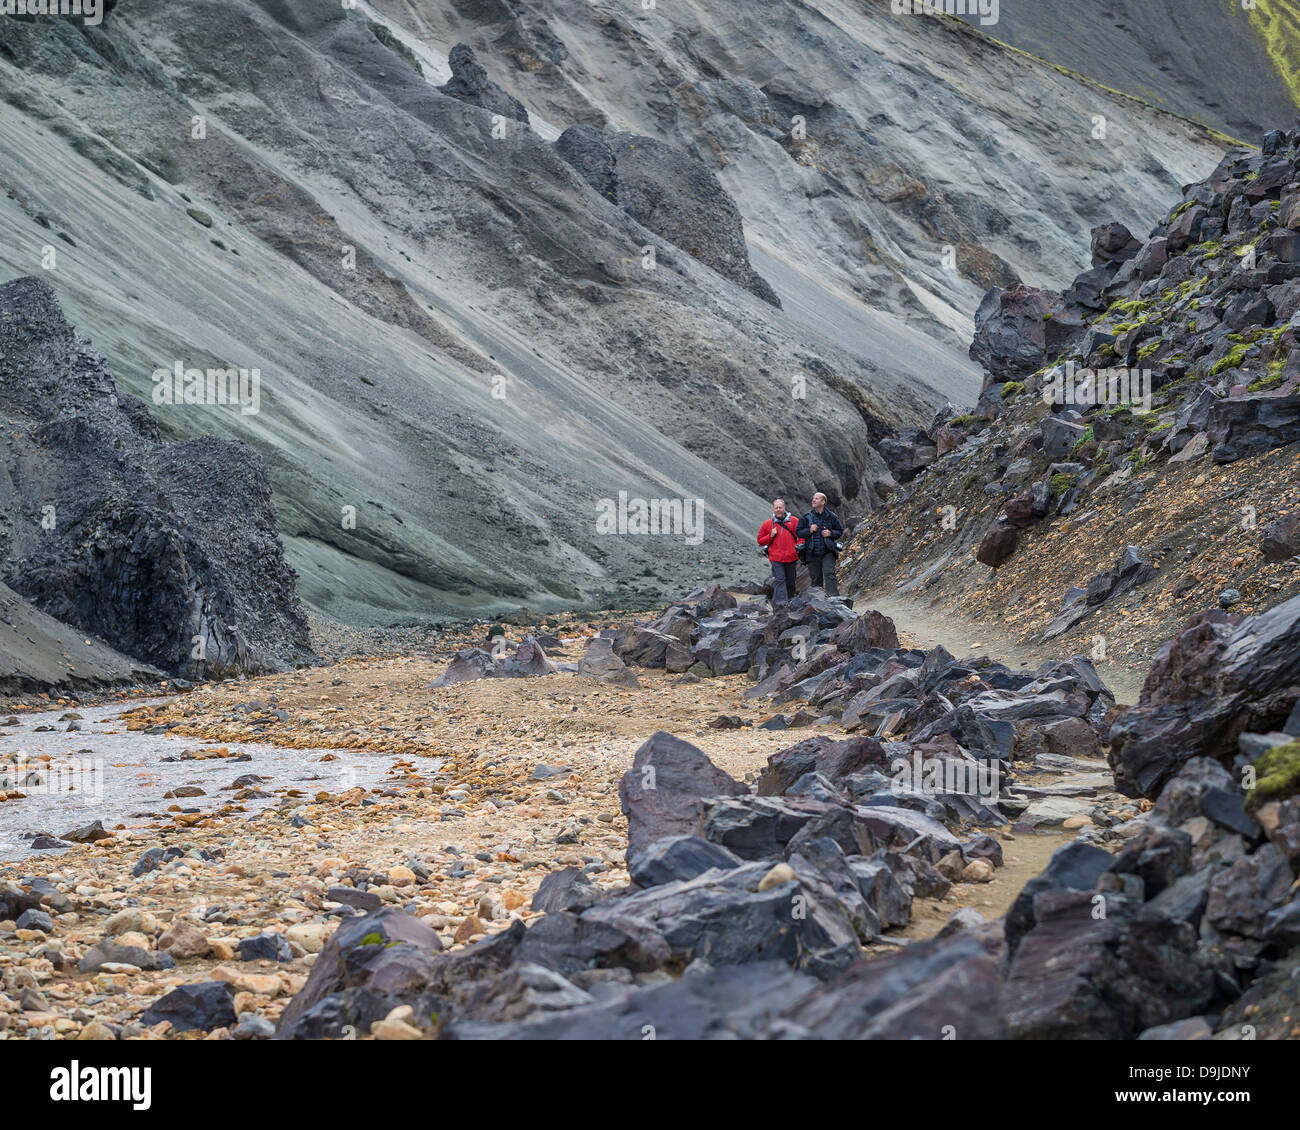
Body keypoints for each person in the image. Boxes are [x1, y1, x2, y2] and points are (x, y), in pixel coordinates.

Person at [796, 492, 844, 596]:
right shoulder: (806, 517)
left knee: (829, 574)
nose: (813, 500)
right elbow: (798, 532)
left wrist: (830, 533)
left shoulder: (832, 517)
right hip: (811, 553)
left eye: (817, 499)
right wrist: (809, 530)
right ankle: (818, 602)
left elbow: (840, 531)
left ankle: (834, 600)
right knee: (816, 579)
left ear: (823, 502)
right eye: (813, 498)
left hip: (828, 552)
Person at [757, 498, 801, 606]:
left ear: (784, 508)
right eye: (776, 508)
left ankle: (790, 601)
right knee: (780, 579)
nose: (778, 510)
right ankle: (781, 605)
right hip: (776, 558)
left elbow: (802, 536)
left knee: (791, 581)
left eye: (780, 507)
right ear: (773, 509)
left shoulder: (794, 521)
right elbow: (760, 541)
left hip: (791, 557)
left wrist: (798, 546)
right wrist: (770, 536)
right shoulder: (767, 524)